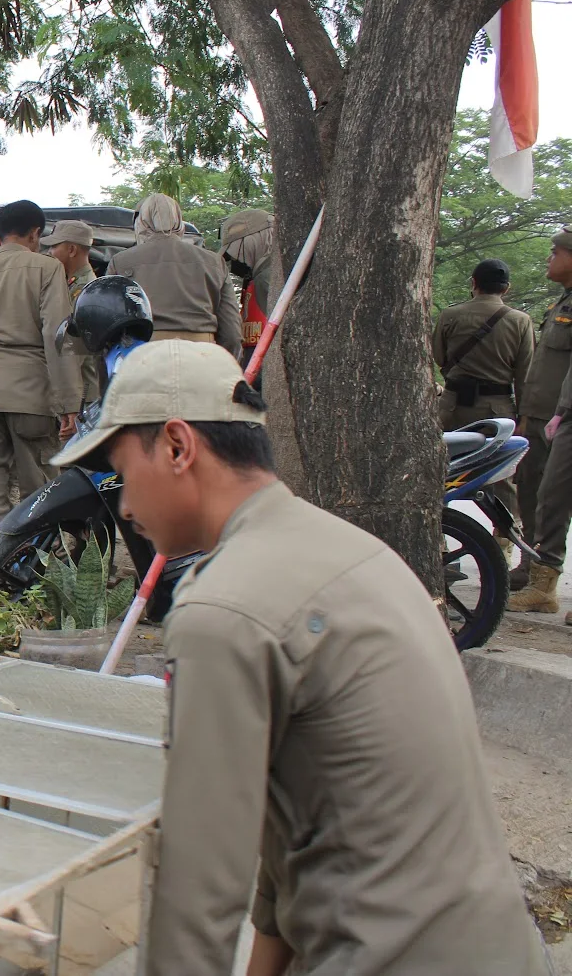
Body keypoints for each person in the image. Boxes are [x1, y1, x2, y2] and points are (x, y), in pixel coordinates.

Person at [50, 340, 544, 976]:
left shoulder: (222, 610)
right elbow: (295, 820)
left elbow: (202, 880)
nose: (122, 504)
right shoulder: (355, 553)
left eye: (122, 469)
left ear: (177, 447)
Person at [0, 199, 82, 526]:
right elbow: (58, 336)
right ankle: (34, 570)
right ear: (35, 232)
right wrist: (69, 403)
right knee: (39, 498)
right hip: (32, 397)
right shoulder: (48, 268)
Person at [432, 258, 534, 557]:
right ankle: (502, 545)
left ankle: (437, 541)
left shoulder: (451, 315)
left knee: (438, 474)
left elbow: (438, 356)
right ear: (507, 288)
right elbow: (524, 374)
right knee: (501, 480)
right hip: (495, 410)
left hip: (450, 408)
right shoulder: (519, 321)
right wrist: (524, 416)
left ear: (473, 283)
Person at [508, 227, 572, 610]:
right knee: (545, 495)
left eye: (556, 251)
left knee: (553, 495)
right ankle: (541, 583)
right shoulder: (562, 304)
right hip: (549, 416)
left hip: (563, 416)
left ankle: (544, 582)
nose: (550, 258)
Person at [107, 192, 242, 359]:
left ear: (141, 222)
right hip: (203, 356)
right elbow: (232, 334)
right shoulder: (214, 262)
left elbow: (109, 326)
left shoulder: (120, 262)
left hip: (143, 359)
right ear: (179, 220)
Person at [41, 220, 101, 403]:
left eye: (54, 247)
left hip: (80, 394)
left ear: (72, 250)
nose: (50, 253)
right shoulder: (74, 284)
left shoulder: (84, 289)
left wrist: (68, 399)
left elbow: (73, 350)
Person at [221, 209, 276, 371]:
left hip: (265, 368)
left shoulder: (268, 277)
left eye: (234, 253)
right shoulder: (256, 277)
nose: (234, 261)